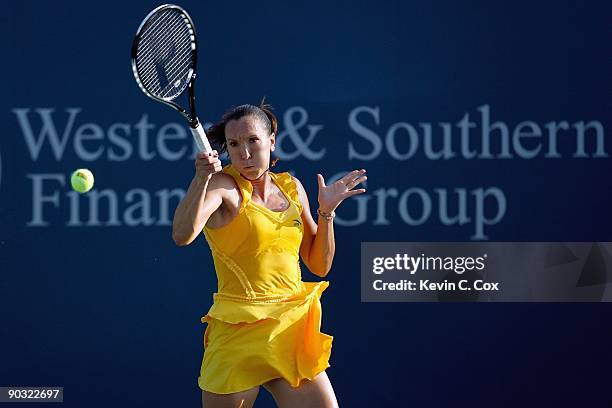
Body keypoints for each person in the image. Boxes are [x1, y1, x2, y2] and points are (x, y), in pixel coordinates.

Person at [172, 102, 367, 408]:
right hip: (238, 333)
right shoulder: (223, 187)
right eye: (234, 144)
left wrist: (326, 213)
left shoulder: (291, 188)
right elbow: (182, 235)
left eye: (253, 141)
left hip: (288, 329)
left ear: (271, 141)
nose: (244, 153)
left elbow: (319, 265)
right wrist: (201, 181)